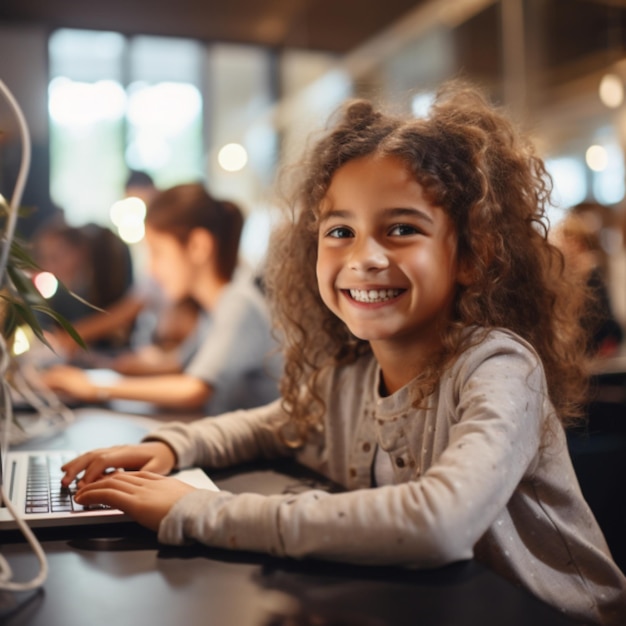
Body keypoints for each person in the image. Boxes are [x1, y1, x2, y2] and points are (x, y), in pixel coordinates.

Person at [58, 83, 626, 624]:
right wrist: (169, 447)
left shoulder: (500, 368)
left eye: (401, 228)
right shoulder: (354, 373)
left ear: (472, 256)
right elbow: (269, 426)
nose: (364, 257)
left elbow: (437, 523)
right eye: (340, 232)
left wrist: (196, 511)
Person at [42, 183, 281, 413]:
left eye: (158, 252)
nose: (152, 269)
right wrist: (100, 367)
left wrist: (95, 388)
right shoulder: (214, 310)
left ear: (198, 246)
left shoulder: (237, 303)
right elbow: (177, 365)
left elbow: (194, 389)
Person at [551, 209, 623, 357]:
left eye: (569, 239)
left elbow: (599, 322)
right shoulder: (563, 275)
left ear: (580, 243)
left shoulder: (591, 275)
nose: (564, 244)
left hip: (594, 355)